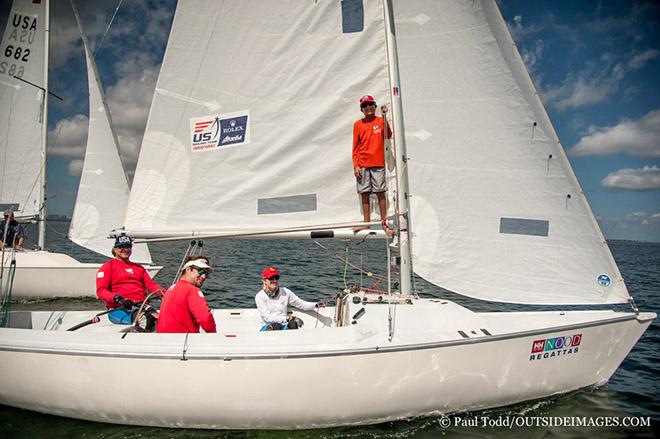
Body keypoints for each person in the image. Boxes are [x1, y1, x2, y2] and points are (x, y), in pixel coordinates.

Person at [96, 233, 164, 327]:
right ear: (115, 249)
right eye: (121, 247)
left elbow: (152, 285)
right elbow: (101, 291)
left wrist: (165, 294)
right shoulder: (107, 267)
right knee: (147, 320)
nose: (125, 249)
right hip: (119, 309)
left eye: (128, 247)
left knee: (163, 321)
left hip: (140, 306)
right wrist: (117, 299)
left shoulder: (139, 268)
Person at [352, 95, 394, 236]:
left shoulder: (380, 121)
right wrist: (356, 165)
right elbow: (355, 147)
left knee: (380, 192)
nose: (368, 107)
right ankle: (366, 224)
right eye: (365, 105)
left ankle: (384, 223)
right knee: (364, 193)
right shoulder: (358, 124)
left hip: (378, 163)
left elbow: (388, 135)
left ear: (375, 106)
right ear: (362, 109)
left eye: (371, 104)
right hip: (362, 164)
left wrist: (384, 116)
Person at [156, 256, 216, 333]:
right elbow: (205, 319)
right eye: (201, 271)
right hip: (181, 342)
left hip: (163, 340)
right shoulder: (192, 290)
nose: (203, 276)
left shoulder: (171, 289)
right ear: (188, 269)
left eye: (206, 274)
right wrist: (213, 335)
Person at [255, 266, 322, 331]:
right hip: (268, 326)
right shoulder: (259, 296)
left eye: (276, 278)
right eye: (271, 278)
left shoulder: (285, 292)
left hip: (284, 324)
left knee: (293, 324)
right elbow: (268, 318)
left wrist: (316, 305)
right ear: (264, 281)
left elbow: (301, 304)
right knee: (276, 326)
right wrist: (287, 318)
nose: (274, 280)